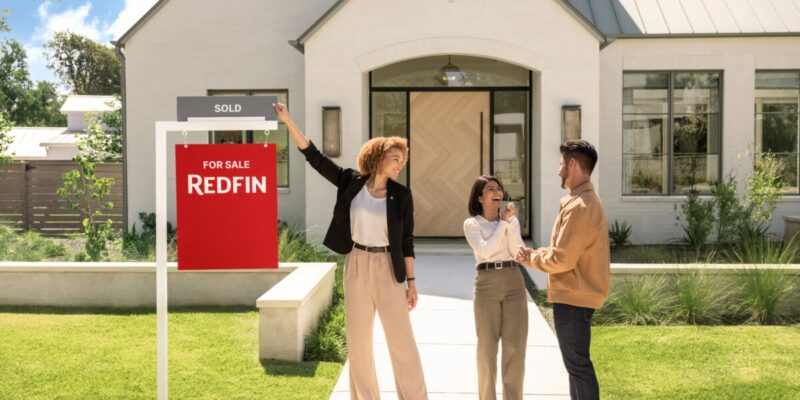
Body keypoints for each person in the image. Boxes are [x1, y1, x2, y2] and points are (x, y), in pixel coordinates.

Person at [272, 103, 428, 400]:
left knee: (402, 342)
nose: (399, 165)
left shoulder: (401, 195)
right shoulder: (350, 182)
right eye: (395, 159)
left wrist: (412, 283)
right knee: (358, 341)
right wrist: (288, 121)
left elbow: (407, 241)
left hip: (388, 267)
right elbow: (314, 157)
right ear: (378, 157)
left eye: (402, 161)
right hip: (356, 262)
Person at [515, 139, 610, 400]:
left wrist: (532, 259)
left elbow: (562, 259)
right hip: (575, 295)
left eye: (561, 164)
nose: (558, 171)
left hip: (573, 298)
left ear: (573, 164)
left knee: (578, 366)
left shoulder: (581, 206)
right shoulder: (581, 201)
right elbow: (566, 251)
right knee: (576, 367)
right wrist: (536, 254)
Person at [463, 175, 528, 400]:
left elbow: (517, 251)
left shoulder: (511, 221)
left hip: (514, 280)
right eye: (490, 189)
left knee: (515, 347)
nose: (497, 192)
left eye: (499, 188)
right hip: (486, 282)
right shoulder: (472, 224)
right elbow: (486, 251)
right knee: (487, 350)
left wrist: (509, 224)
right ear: (480, 197)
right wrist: (503, 224)